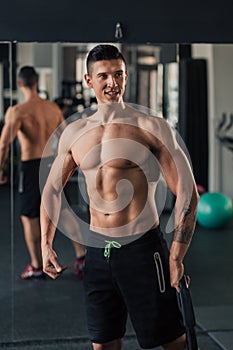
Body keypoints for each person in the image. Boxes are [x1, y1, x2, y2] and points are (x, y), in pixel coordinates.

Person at [41, 45, 200, 350]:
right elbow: (50, 189)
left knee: (172, 342)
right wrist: (45, 244)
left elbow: (187, 193)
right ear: (89, 80)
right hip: (98, 254)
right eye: (103, 76)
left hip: (143, 251)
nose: (111, 82)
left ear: (126, 76)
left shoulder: (150, 126)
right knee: (103, 343)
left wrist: (177, 255)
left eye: (117, 74)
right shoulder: (74, 133)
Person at [0, 66, 85, 279]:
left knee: (29, 216)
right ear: (37, 82)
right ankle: (81, 258)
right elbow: (68, 135)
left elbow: (3, 145)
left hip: (30, 167)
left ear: (20, 84)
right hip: (53, 163)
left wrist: (1, 168)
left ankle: (37, 266)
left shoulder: (17, 111)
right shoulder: (52, 109)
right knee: (64, 211)